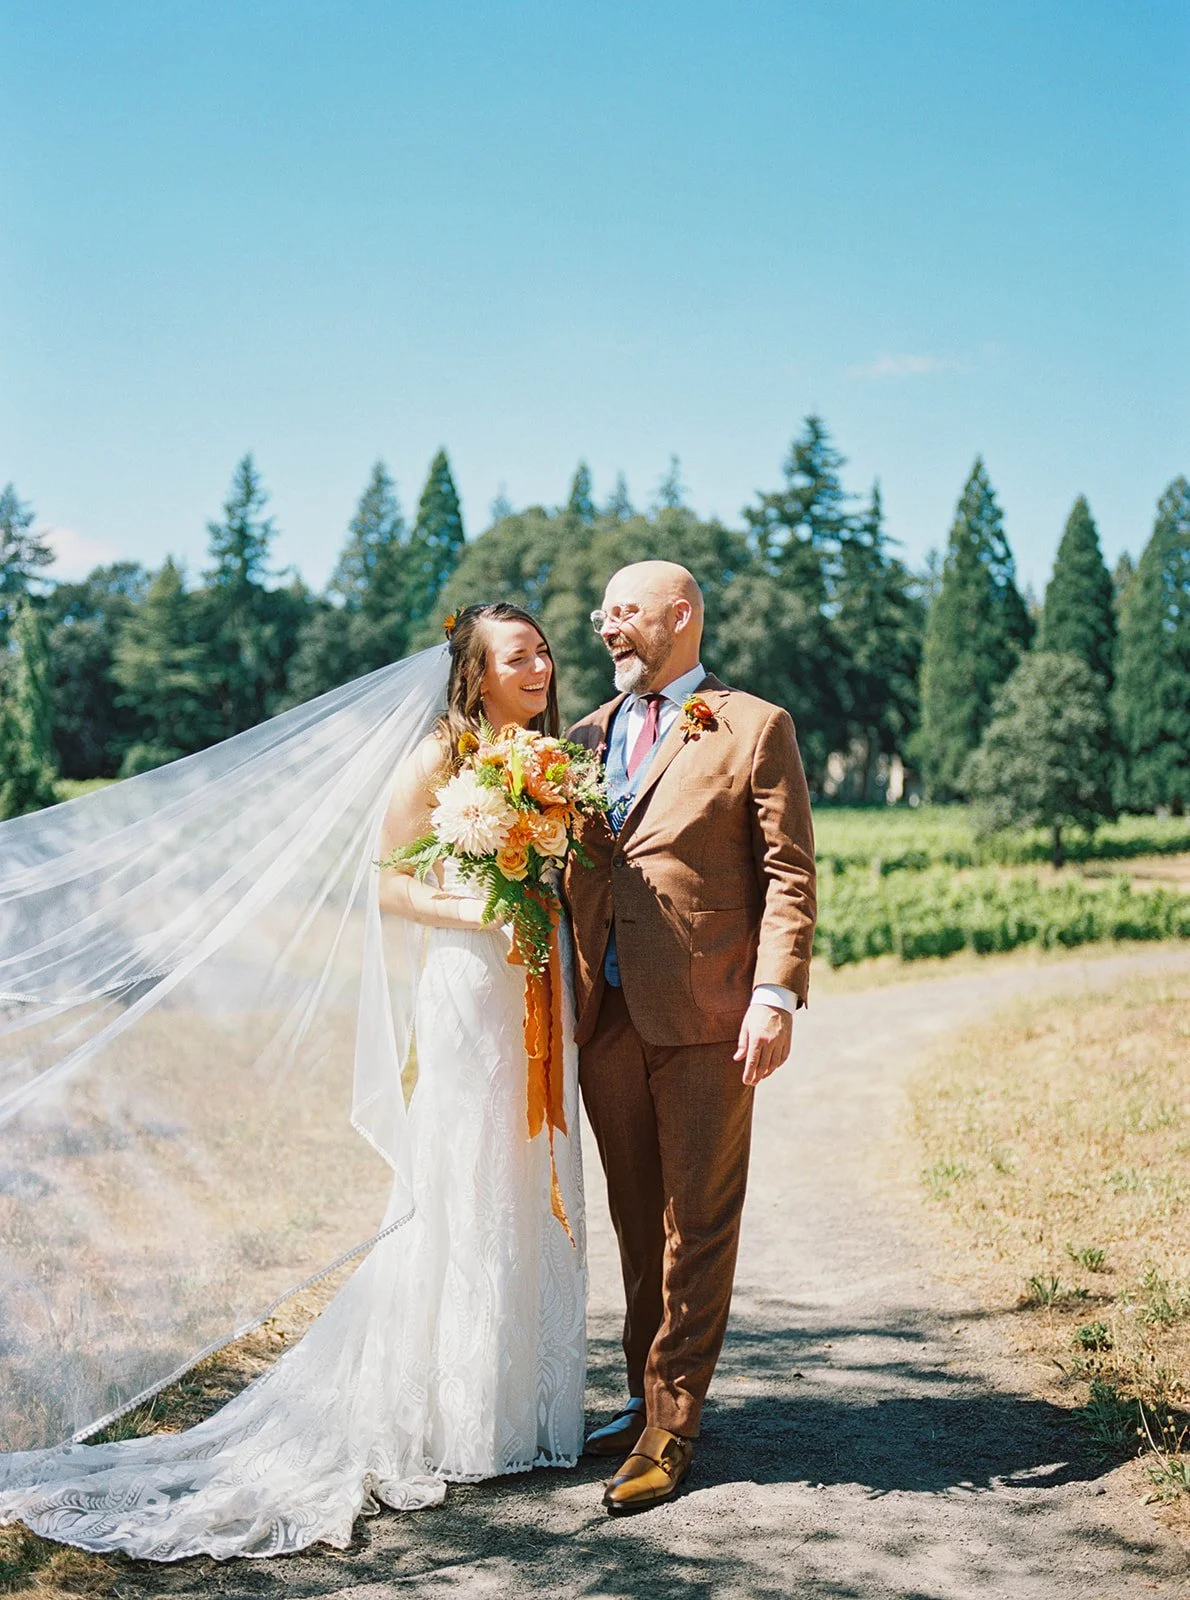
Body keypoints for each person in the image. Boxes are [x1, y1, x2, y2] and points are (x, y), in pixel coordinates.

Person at [0, 603, 586, 1560]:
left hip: (536, 983)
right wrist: (474, 902)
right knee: (468, 1175)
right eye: (519, 656)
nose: (542, 666)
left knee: (530, 1173)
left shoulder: (548, 757)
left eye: (544, 651)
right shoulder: (437, 756)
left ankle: (517, 1409)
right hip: (469, 983)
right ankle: (452, 1410)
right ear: (475, 674)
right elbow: (387, 880)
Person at [565, 560, 817, 1513]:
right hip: (608, 1015)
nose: (608, 628)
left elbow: (788, 875)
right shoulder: (584, 735)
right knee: (635, 1220)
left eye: (624, 612)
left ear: (682, 615)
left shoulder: (755, 725)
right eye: (602, 615)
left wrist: (774, 996)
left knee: (697, 1225)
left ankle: (673, 1427)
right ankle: (640, 1396)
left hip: (712, 1014)